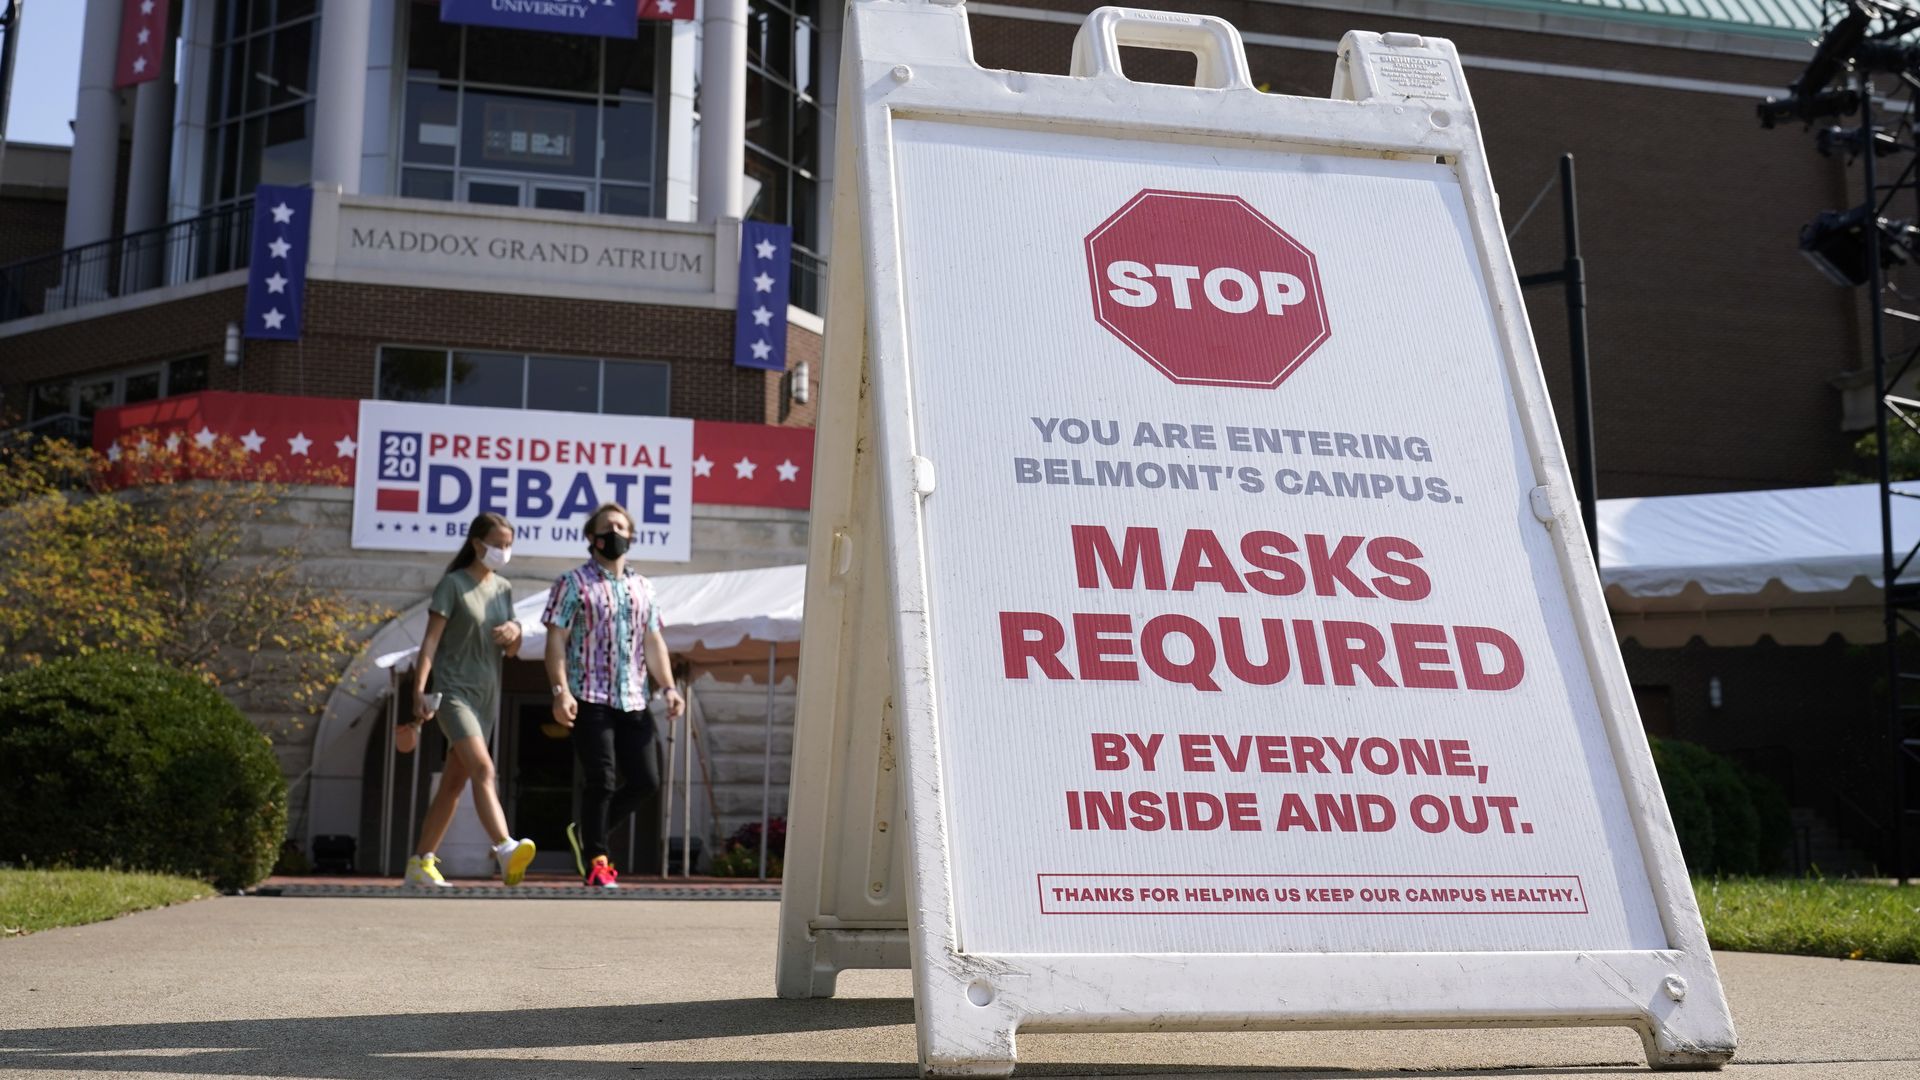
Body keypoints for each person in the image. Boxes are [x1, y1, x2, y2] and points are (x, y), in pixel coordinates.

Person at [542, 502, 685, 888]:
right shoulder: (572, 583)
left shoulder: (644, 587)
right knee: (601, 779)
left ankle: (588, 832)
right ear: (592, 537)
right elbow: (555, 640)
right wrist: (560, 691)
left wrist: (669, 687)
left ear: (632, 536)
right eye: (608, 527)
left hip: (634, 698)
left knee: (646, 781)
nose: (616, 533)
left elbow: (654, 641)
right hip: (589, 695)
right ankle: (597, 860)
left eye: (622, 527)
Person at [401, 512, 538, 888]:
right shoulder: (453, 585)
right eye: (498, 545)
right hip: (453, 692)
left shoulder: (504, 589)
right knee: (484, 769)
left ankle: (420, 863)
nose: (504, 552)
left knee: (454, 784)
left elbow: (512, 651)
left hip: (487, 694)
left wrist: (515, 631)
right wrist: (418, 690)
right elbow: (429, 642)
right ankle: (505, 846)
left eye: (509, 545)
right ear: (478, 544)